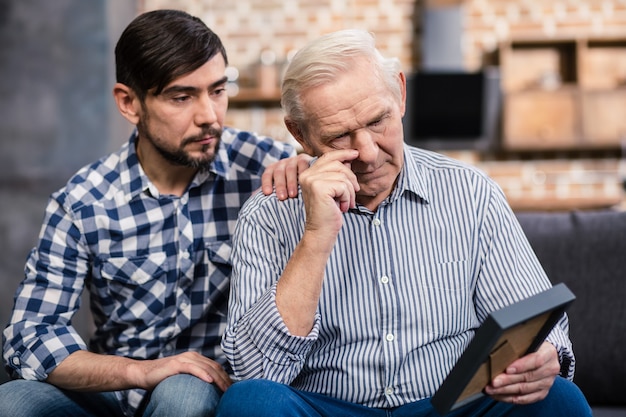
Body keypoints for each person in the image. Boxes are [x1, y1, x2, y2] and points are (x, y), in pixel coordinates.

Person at [218, 29, 592, 417]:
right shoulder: (269, 213)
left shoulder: (471, 192)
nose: (366, 153)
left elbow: (531, 319)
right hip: (328, 409)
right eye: (339, 137)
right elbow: (255, 373)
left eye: (377, 121)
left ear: (400, 94)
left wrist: (544, 354)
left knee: (560, 399)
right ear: (299, 134)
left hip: (450, 407)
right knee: (251, 403)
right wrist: (315, 237)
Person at [0, 9, 302, 417]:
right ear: (129, 103)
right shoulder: (84, 201)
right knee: (13, 401)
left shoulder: (269, 170)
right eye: (182, 97)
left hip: (210, 389)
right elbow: (29, 336)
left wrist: (312, 171)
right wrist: (141, 371)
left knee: (183, 392)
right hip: (115, 390)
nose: (209, 116)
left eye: (217, 90)